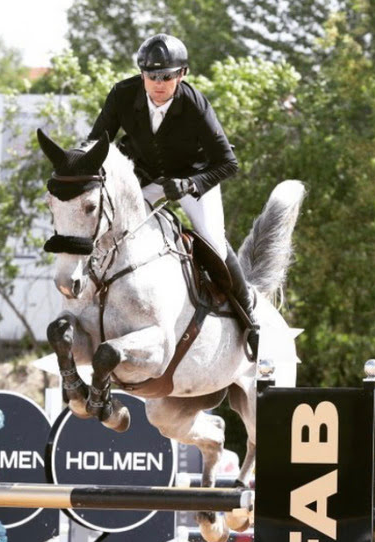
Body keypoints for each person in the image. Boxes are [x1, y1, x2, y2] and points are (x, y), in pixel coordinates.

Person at [86, 33, 259, 359]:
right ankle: (98, 300)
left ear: (182, 74)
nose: (159, 83)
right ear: (142, 75)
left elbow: (228, 163)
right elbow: (96, 143)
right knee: (114, 229)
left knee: (214, 242)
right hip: (145, 178)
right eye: (152, 76)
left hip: (194, 178)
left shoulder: (195, 104)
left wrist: (191, 184)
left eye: (167, 76)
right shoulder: (123, 95)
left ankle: (249, 318)